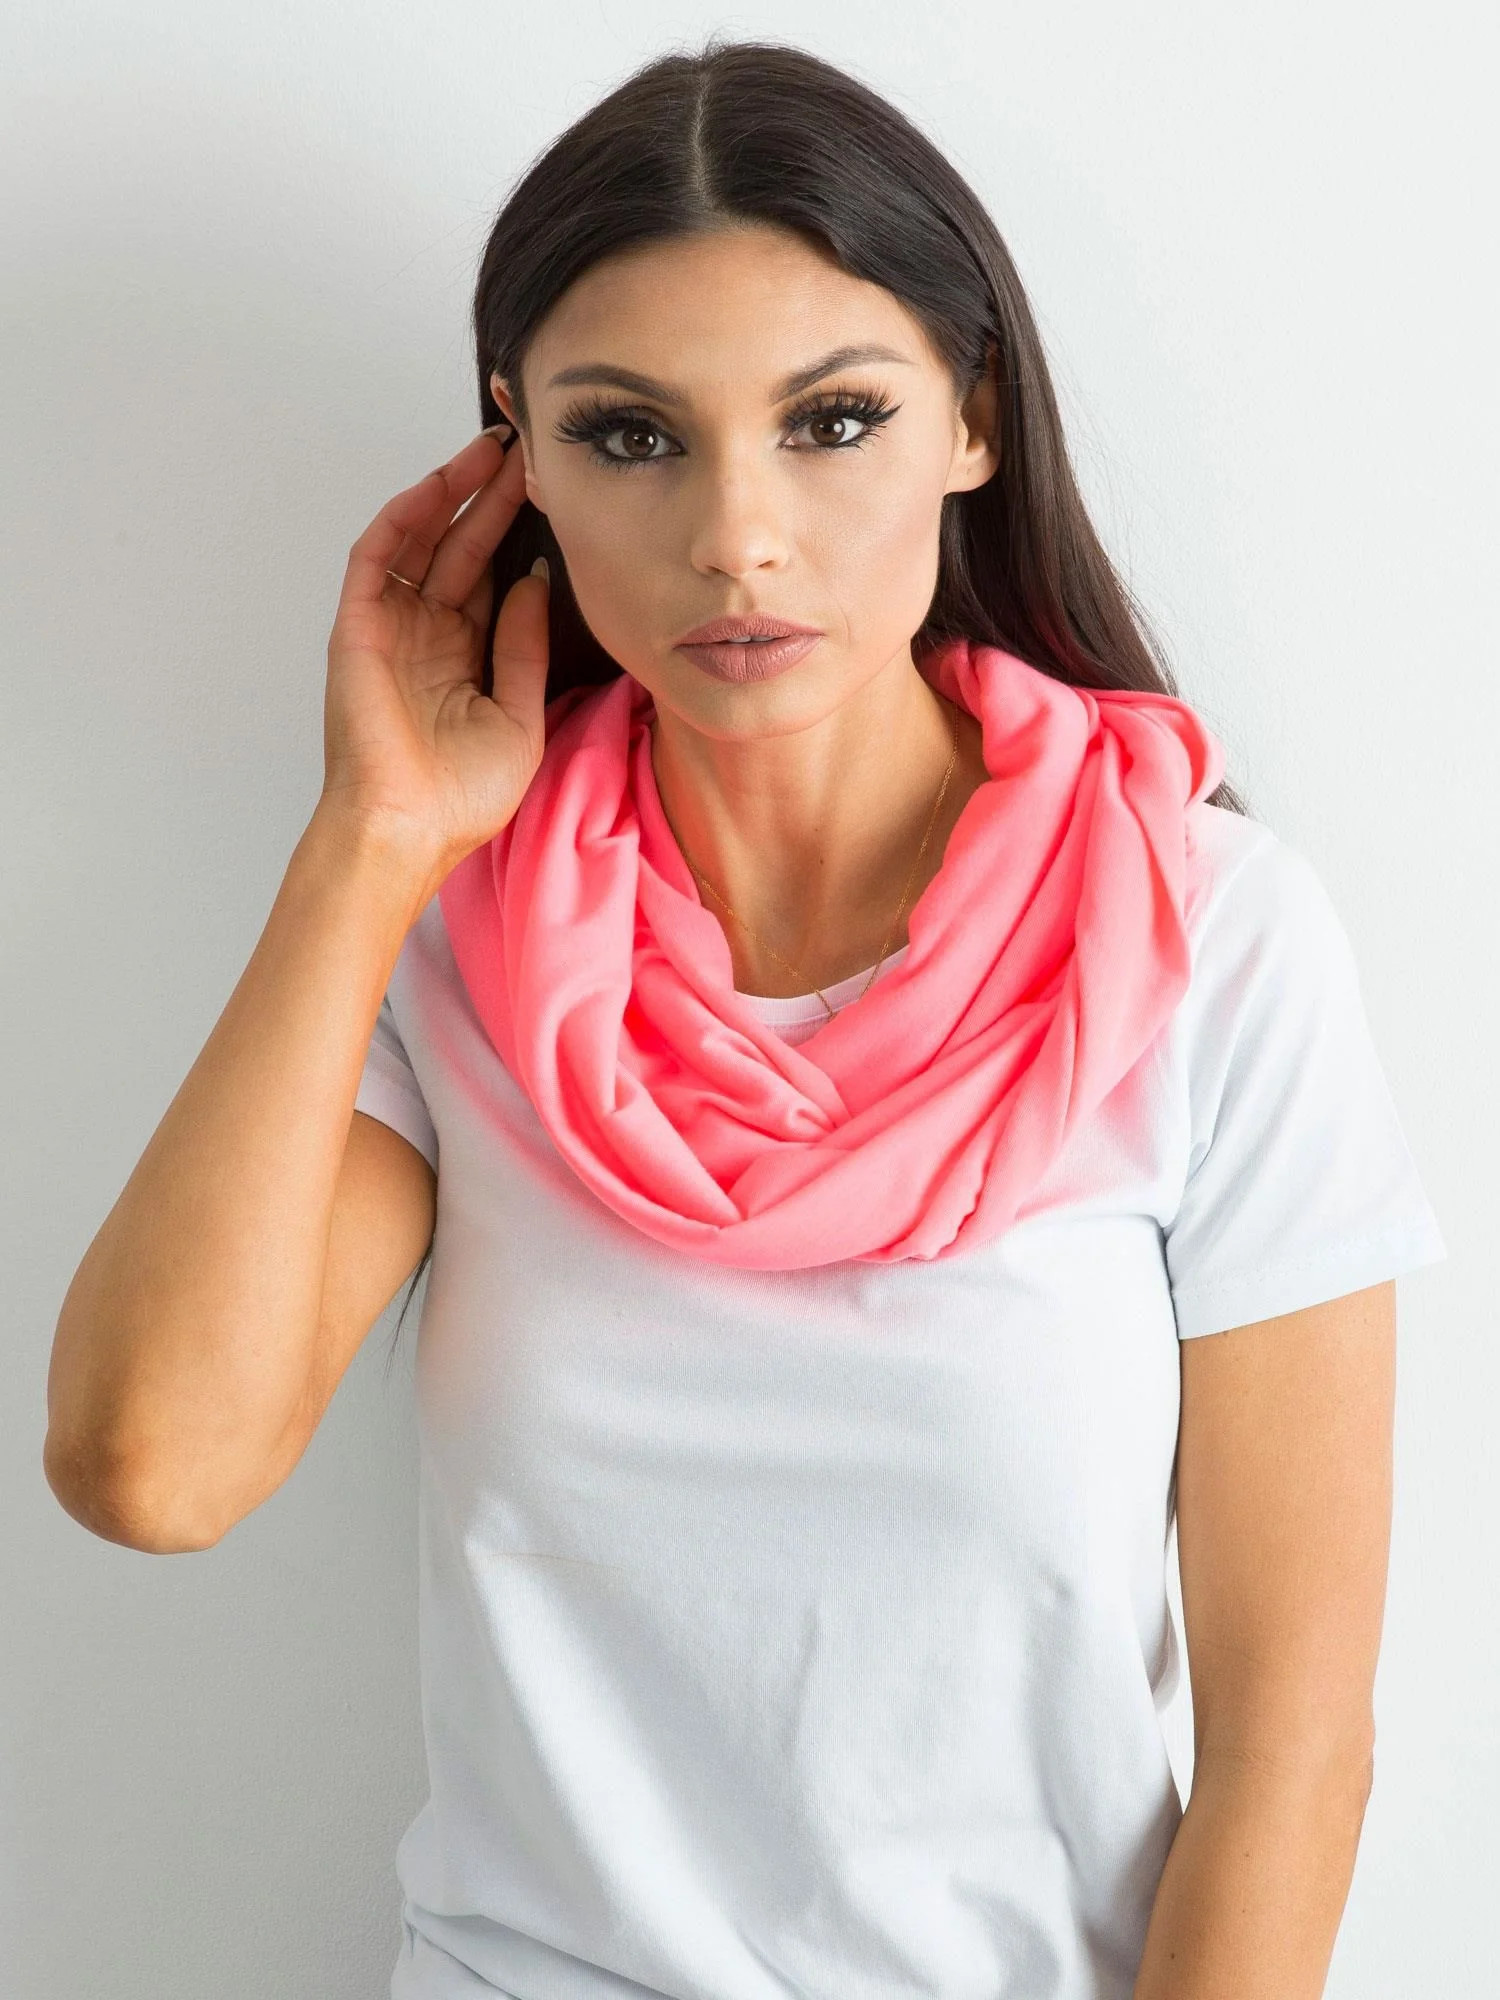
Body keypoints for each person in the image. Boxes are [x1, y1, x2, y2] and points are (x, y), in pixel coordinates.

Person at [45, 36, 1447, 2000]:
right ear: (515, 459)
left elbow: (1294, 1751)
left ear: (971, 421)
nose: (736, 535)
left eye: (833, 420)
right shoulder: (457, 934)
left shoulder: (1212, 942)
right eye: (632, 436)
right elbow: (152, 1469)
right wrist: (369, 843)